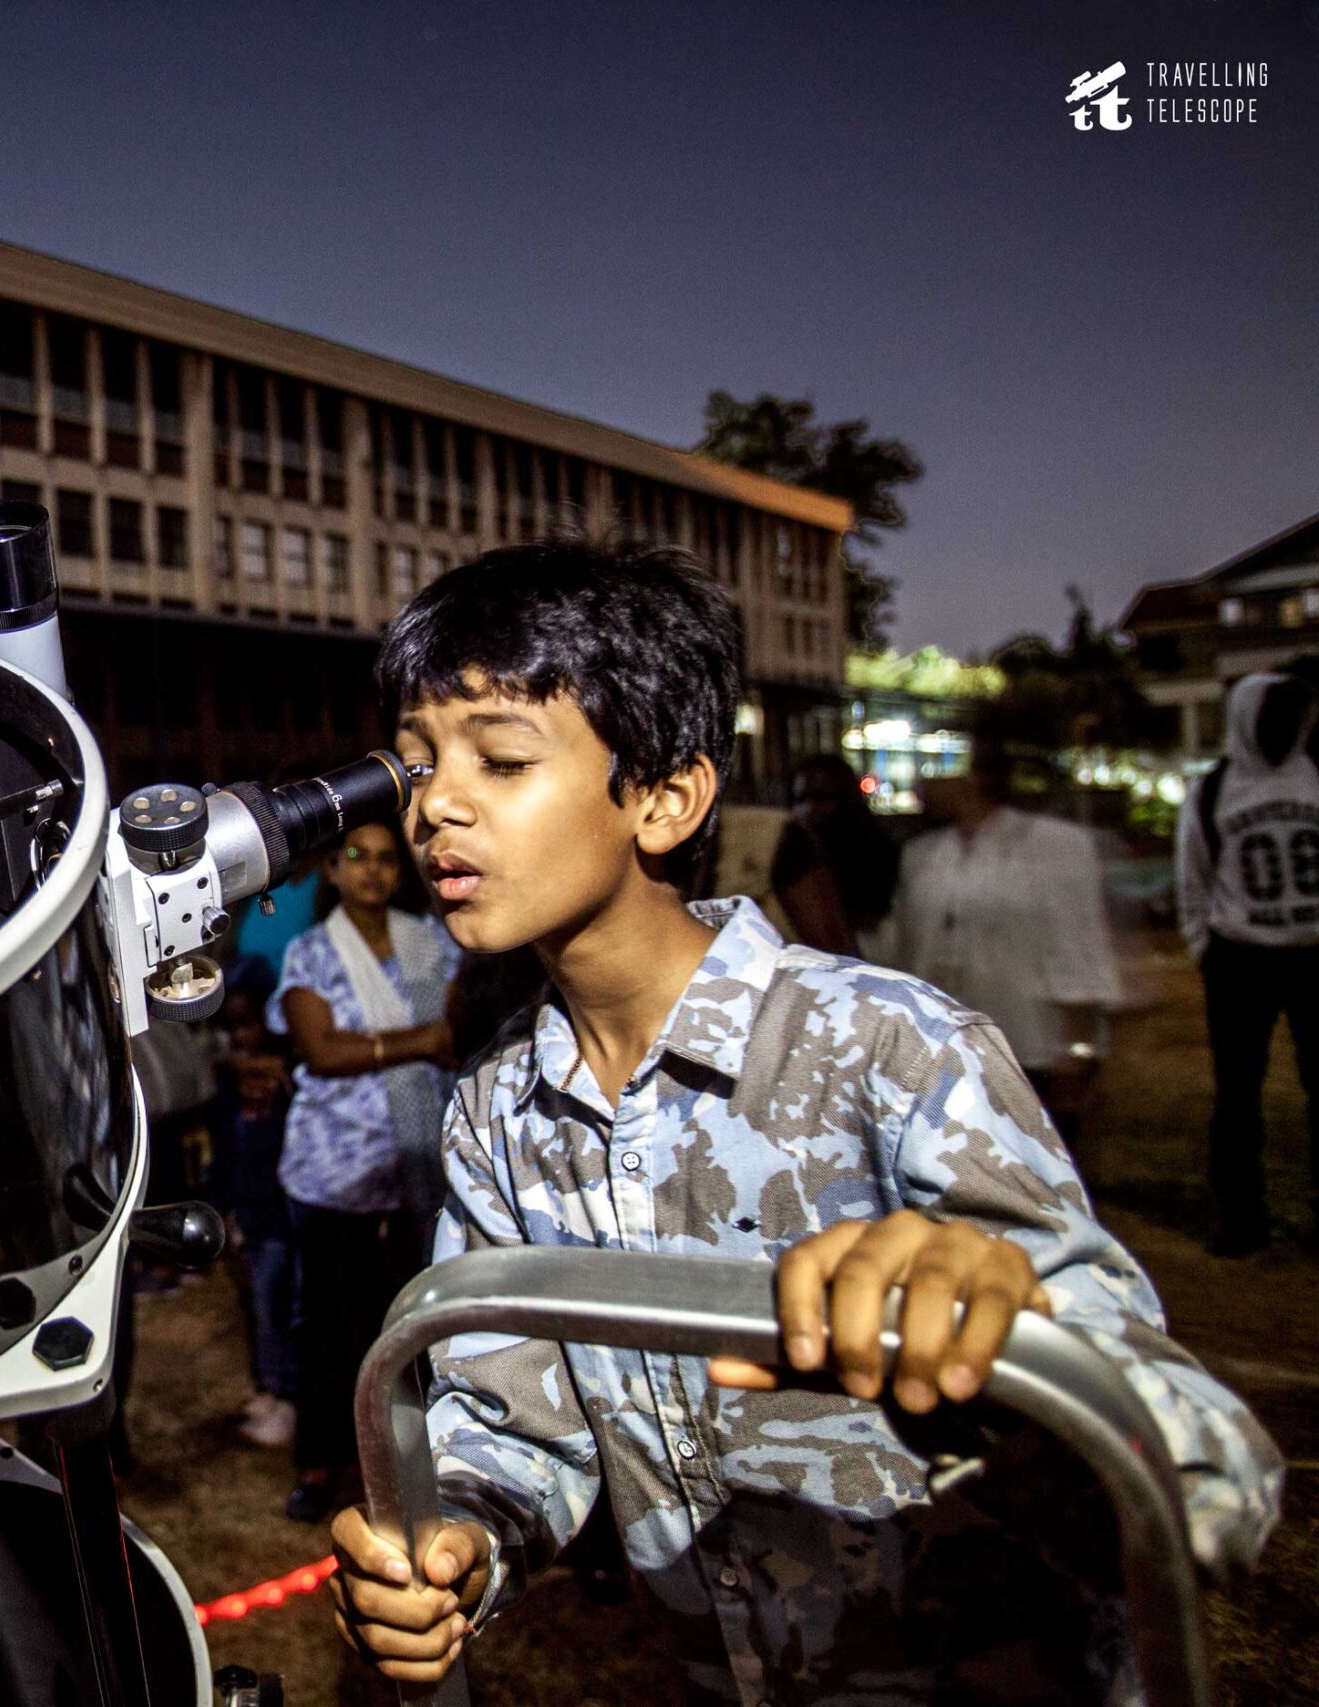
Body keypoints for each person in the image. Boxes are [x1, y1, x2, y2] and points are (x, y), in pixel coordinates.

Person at [327, 541, 1279, 1703]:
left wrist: (1001, 1337)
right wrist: (458, 1548)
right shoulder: (494, 1108)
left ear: (666, 798)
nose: (435, 804)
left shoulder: (891, 1050)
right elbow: (516, 1423)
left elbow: (1207, 1487)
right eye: (415, 763)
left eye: (502, 757)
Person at [267, 821, 459, 1522]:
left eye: (385, 859)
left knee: (406, 1328)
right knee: (323, 1325)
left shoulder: (433, 942)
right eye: (358, 857)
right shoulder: (313, 952)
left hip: (418, 1167)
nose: (373, 871)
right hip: (331, 1170)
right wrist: (421, 1040)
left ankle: (403, 1467)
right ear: (333, 870)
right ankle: (320, 1465)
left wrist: (387, 1043)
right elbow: (321, 1050)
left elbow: (462, 1033)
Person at [887, 743, 1123, 1154]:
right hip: (946, 1052)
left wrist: (1077, 1049)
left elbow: (1079, 944)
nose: (920, 782)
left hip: (1030, 1046)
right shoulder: (923, 854)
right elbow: (908, 949)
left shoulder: (1053, 846)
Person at [1176, 671, 1319, 1256]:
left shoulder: (1316, 775)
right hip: (1241, 959)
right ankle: (1241, 1219)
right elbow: (1194, 874)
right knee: (1238, 1095)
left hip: (1314, 955)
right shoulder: (1214, 790)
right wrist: (1202, 948)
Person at [208, 960, 295, 1449]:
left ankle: (286, 1398)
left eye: (250, 1024)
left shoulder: (288, 1084)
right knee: (253, 1305)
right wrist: (222, 1204)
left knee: (274, 1305)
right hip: (244, 1214)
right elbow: (223, 1148)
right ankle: (265, 1386)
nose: (242, 1038)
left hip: (277, 1218)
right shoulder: (226, 1083)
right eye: (232, 1028)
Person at [768, 753, 900, 957]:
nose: (810, 809)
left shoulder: (876, 854)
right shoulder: (781, 857)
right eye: (802, 799)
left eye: (822, 798)